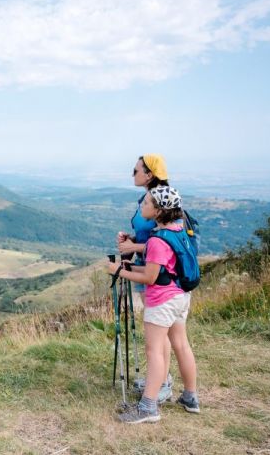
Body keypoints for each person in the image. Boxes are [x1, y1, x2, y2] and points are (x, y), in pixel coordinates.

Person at [108, 186, 199, 423]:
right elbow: (160, 271)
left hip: (162, 301)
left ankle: (148, 407)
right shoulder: (177, 231)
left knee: (155, 351)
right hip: (180, 296)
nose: (142, 206)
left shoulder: (158, 241)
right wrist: (129, 267)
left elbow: (150, 278)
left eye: (147, 203)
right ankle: (190, 397)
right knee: (181, 344)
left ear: (158, 211)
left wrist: (119, 271)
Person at [116, 154, 173, 402]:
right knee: (159, 333)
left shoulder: (159, 199)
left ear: (149, 174)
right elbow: (149, 235)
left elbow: (163, 240)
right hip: (146, 265)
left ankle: (161, 383)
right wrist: (133, 239)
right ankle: (159, 379)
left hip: (154, 272)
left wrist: (132, 249)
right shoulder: (150, 197)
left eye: (136, 170)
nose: (133, 174)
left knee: (159, 334)